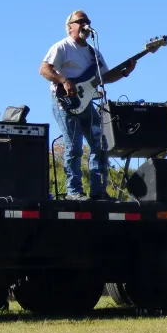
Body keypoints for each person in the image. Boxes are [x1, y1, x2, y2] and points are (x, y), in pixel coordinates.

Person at [39, 10, 135, 201]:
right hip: (64, 103)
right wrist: (64, 80)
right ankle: (73, 191)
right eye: (80, 21)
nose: (85, 25)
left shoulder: (93, 52)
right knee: (74, 146)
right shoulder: (62, 46)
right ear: (70, 27)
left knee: (99, 145)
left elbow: (104, 77)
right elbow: (44, 69)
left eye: (87, 22)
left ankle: (98, 191)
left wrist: (125, 72)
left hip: (87, 103)